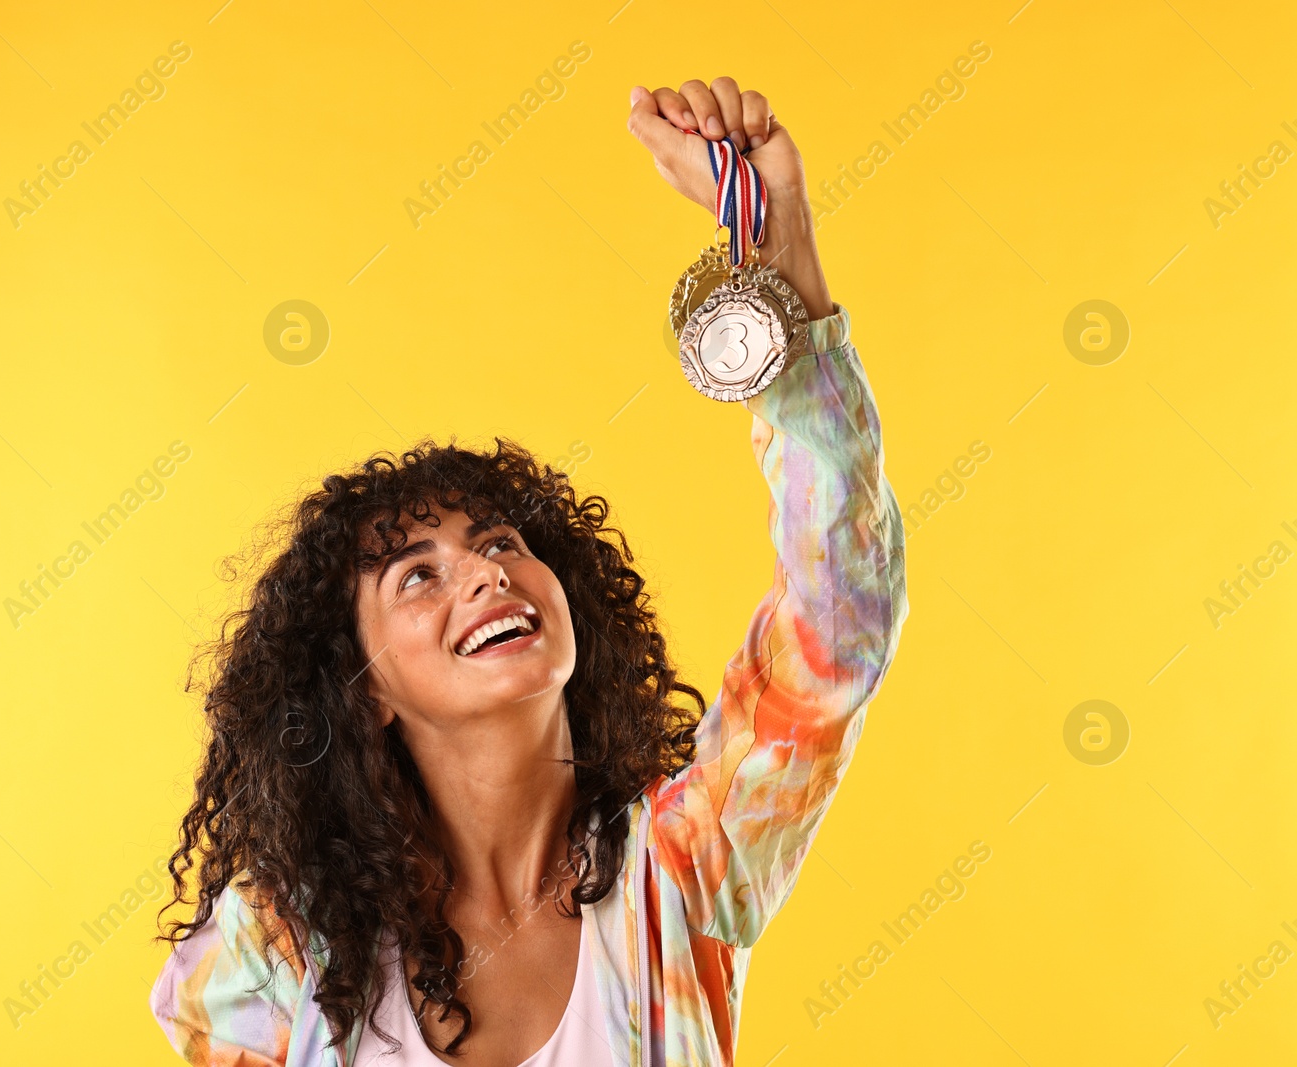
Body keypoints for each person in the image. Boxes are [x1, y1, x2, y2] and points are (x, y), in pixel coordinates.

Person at [149, 76, 908, 1067]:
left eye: (502, 542)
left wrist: (779, 236)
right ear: (365, 686)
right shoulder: (274, 950)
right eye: (415, 575)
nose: (483, 574)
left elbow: (837, 618)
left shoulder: (681, 868)